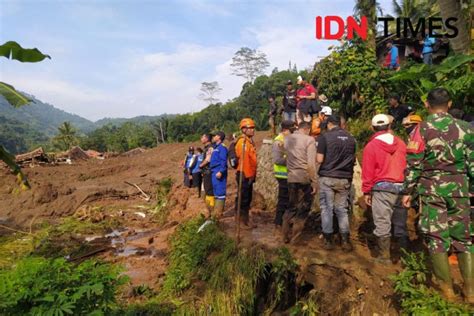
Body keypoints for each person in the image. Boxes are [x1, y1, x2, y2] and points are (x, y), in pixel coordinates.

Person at [401, 88, 473, 303]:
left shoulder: (420, 130)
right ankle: (470, 293)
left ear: (427, 105)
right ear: (449, 104)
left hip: (432, 189)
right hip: (460, 189)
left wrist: (407, 191)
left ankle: (447, 292)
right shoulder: (466, 128)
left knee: (437, 239)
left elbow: (414, 164)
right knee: (464, 239)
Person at [362, 114, 408, 264]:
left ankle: (384, 257)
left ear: (373, 128)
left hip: (382, 188)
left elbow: (368, 171)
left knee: (382, 222)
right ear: (389, 126)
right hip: (401, 187)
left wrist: (366, 191)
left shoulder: (371, 146)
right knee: (400, 222)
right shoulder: (401, 143)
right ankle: (404, 256)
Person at [316, 115, 356, 251]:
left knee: (327, 209)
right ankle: (345, 241)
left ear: (329, 124)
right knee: (342, 209)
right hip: (344, 178)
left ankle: (328, 240)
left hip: (327, 177)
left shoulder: (324, 137)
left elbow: (319, 159)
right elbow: (353, 159)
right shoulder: (351, 138)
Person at [282, 121, 317, 244]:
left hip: (291, 177)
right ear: (307, 129)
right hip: (303, 178)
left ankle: (285, 236)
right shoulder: (309, 140)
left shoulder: (287, 139)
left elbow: (286, 157)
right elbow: (311, 164)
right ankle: (295, 239)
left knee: (291, 206)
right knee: (303, 208)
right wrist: (314, 182)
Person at [272, 120, 295, 236]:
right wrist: (292, 159)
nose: (293, 132)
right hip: (282, 175)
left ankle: (284, 223)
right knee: (283, 200)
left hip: (290, 175)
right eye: (292, 130)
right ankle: (278, 223)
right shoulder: (278, 141)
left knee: (290, 200)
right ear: (285, 130)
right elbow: (277, 160)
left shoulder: (288, 140)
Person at [235, 118, 258, 228]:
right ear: (243, 129)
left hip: (249, 174)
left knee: (247, 198)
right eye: (250, 128)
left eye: (253, 128)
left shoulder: (249, 142)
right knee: (242, 198)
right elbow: (245, 161)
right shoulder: (242, 143)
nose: (253, 130)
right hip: (244, 174)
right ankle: (240, 222)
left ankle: (246, 220)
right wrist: (249, 176)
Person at [210, 131, 228, 218]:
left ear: (219, 137)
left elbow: (223, 161)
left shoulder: (222, 147)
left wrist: (221, 171)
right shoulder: (215, 147)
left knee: (220, 192)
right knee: (216, 192)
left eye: (215, 136)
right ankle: (215, 213)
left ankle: (218, 214)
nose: (213, 137)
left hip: (218, 171)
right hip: (214, 171)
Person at [200, 134, 214, 215]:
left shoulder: (210, 147)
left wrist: (201, 165)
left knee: (209, 191)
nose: (201, 138)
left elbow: (208, 159)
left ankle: (211, 210)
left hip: (208, 172)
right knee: (206, 190)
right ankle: (208, 208)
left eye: (203, 137)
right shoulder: (206, 148)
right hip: (205, 172)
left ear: (207, 139)